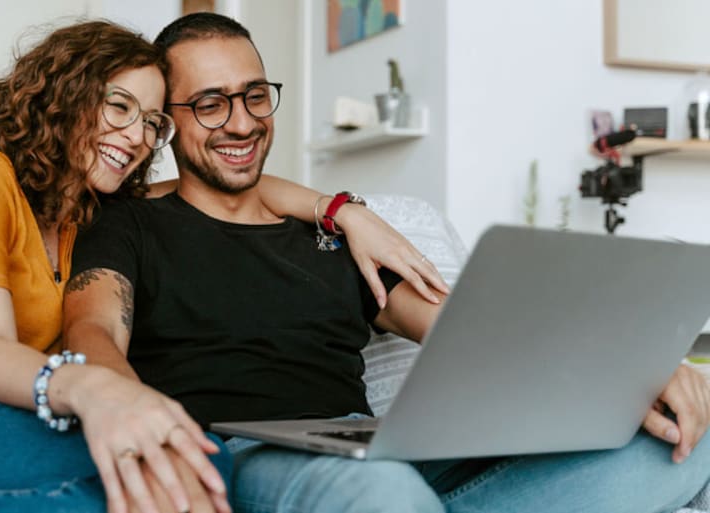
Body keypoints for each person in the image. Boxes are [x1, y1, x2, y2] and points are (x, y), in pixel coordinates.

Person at [63, 12, 710, 513]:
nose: (240, 123)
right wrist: (142, 418)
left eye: (254, 95)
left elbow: (472, 329)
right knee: (385, 492)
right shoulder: (129, 221)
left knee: (686, 439)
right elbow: (92, 330)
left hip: (375, 443)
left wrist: (638, 367)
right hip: (250, 450)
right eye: (210, 103)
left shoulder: (338, 235)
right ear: (169, 122)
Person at [0, 18, 446, 513]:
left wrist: (339, 208)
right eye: (119, 107)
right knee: (191, 464)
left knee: (172, 474)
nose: (138, 136)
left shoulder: (87, 211)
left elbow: (224, 191)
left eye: (153, 122)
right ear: (65, 94)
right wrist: (101, 389)